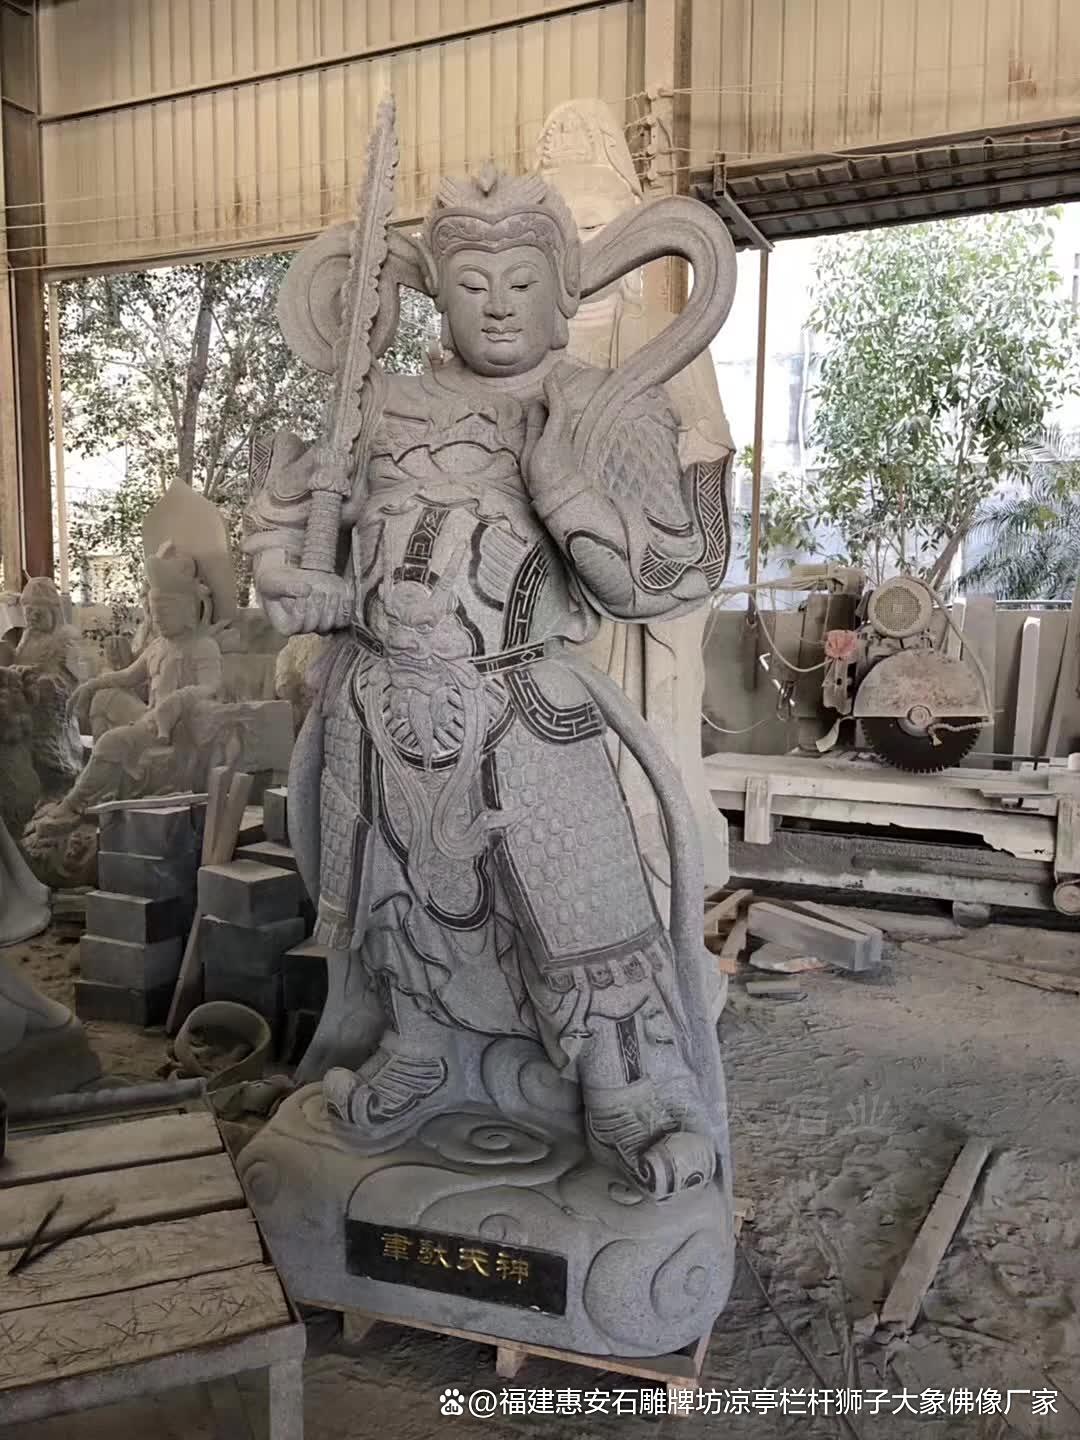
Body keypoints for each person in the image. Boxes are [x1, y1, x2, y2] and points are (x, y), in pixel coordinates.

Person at [245, 161, 733, 1198]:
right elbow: (293, 542)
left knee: (577, 902)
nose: (499, 303)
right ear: (438, 294)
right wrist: (292, 577)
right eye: (472, 284)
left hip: (524, 706)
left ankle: (626, 1088)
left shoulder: (600, 408)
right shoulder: (377, 407)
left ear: (563, 297)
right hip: (379, 701)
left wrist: (562, 489)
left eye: (521, 281)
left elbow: (658, 582)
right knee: (394, 897)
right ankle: (419, 1045)